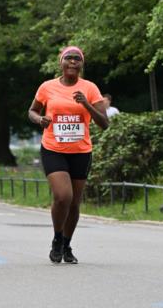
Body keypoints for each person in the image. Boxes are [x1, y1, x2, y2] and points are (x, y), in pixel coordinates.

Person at [28, 45, 109, 264]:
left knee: (74, 203)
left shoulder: (90, 88)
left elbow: (104, 123)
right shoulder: (47, 86)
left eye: (77, 59)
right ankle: (56, 238)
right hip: (53, 148)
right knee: (63, 196)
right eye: (69, 58)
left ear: (82, 64)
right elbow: (32, 110)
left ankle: (66, 243)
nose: (73, 62)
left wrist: (86, 104)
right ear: (61, 63)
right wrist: (39, 120)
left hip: (81, 151)